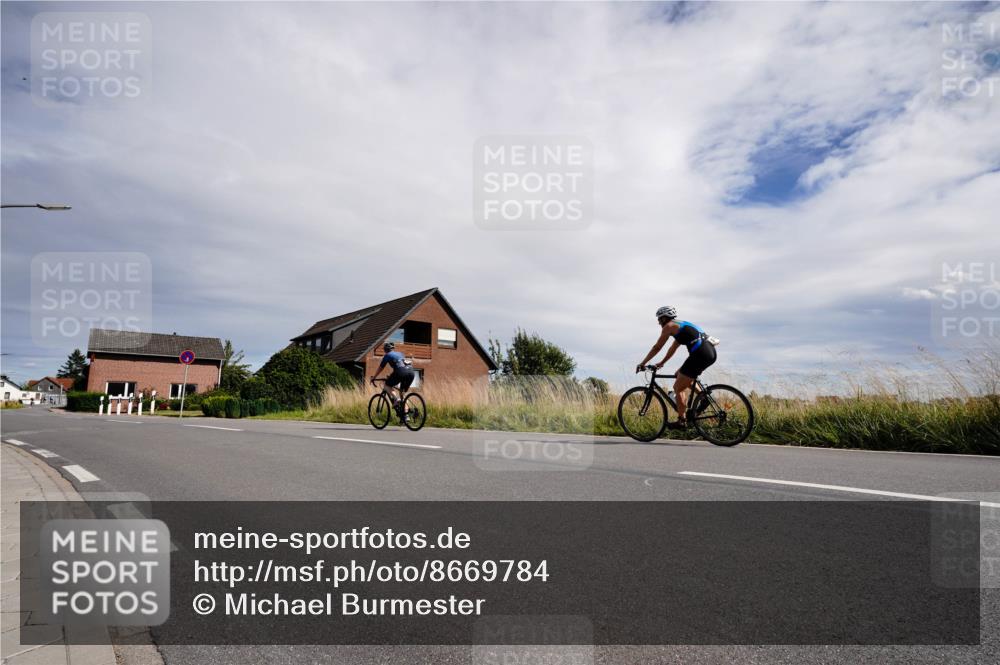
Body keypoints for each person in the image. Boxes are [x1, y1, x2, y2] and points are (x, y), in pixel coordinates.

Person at [636, 305, 717, 428]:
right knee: (679, 374)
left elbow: (657, 347)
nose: (658, 323)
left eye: (659, 319)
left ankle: (681, 421)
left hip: (699, 354)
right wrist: (662, 362)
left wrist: (643, 363)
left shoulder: (669, 327)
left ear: (664, 318)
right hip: (709, 352)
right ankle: (703, 397)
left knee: (678, 388)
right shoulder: (680, 326)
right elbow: (672, 348)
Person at [370, 341, 415, 413]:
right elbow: (400, 365)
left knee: (387, 385)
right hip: (411, 372)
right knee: (402, 393)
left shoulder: (387, 355)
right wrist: (392, 375)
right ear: (393, 348)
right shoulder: (400, 354)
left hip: (400, 372)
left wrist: (374, 377)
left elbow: (381, 368)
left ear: (385, 350)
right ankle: (405, 415)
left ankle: (396, 399)